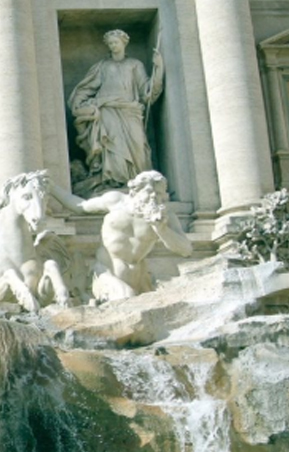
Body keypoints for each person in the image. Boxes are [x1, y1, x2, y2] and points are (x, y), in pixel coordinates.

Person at [49, 171, 192, 302]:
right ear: (135, 191)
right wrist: (52, 188)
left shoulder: (166, 218)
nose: (154, 196)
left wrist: (162, 230)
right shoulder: (116, 201)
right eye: (149, 191)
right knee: (127, 298)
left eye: (159, 193)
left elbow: (186, 250)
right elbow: (80, 206)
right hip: (107, 272)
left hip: (140, 276)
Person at [69, 29, 163, 190]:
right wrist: (79, 104)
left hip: (130, 110)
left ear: (124, 43)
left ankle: (139, 183)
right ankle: (114, 182)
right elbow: (86, 88)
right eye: (110, 43)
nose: (113, 46)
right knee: (113, 145)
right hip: (108, 110)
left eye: (116, 42)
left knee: (138, 146)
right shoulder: (102, 66)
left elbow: (146, 91)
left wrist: (159, 68)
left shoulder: (135, 64)